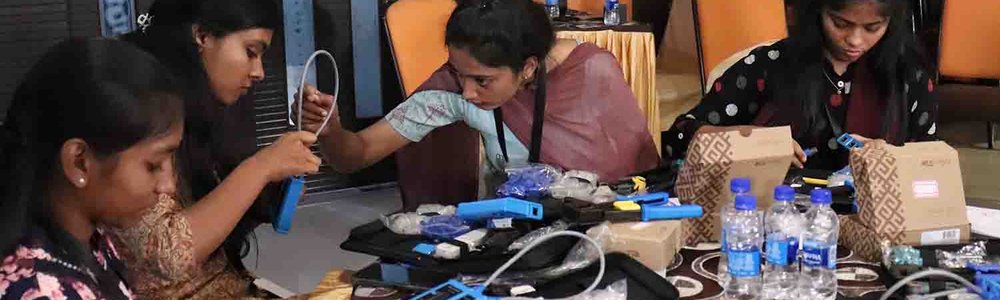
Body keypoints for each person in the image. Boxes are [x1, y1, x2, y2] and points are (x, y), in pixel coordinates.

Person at [298, 0, 660, 205]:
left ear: (528, 68)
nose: (467, 92)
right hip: (512, 238)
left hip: (607, 228)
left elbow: (633, 173)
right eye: (458, 73)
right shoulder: (452, 91)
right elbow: (356, 155)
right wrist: (330, 131)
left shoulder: (592, 72)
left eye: (482, 81)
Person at [115, 0, 322, 298]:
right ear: (202, 36)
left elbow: (210, 207)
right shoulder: (136, 114)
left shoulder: (206, 108)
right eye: (251, 52)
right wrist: (260, 168)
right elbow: (169, 254)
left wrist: (271, 191)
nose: (259, 72)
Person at [0, 38, 183, 299]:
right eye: (153, 165)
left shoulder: (93, 238)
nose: (169, 186)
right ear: (79, 163)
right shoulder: (39, 291)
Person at [663, 0, 937, 170]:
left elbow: (933, 165)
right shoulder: (769, 66)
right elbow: (678, 139)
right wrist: (746, 141)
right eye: (840, 23)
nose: (855, 41)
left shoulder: (907, 77)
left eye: (872, 28)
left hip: (876, 225)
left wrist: (894, 158)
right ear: (817, 10)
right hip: (776, 220)